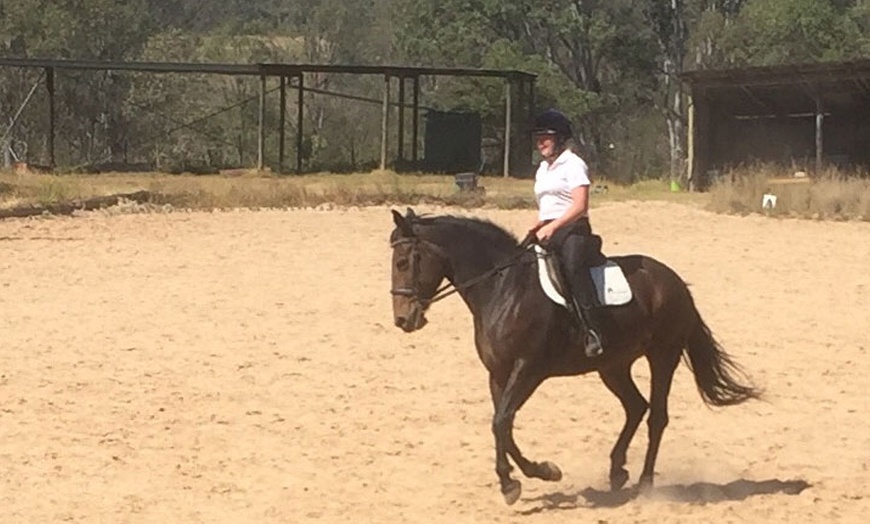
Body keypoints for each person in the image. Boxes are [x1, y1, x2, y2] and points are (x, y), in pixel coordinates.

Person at [528, 109, 605, 358]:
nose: (540, 143)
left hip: (574, 230)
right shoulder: (542, 169)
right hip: (548, 229)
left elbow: (580, 205)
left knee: (571, 267)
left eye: (545, 138)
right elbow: (547, 205)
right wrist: (538, 224)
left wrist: (553, 226)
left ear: (560, 138)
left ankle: (592, 329)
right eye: (538, 138)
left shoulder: (573, 164)